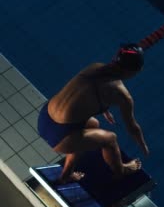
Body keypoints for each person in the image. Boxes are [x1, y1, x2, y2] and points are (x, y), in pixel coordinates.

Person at [37, 44, 150, 184]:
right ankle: (121, 170)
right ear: (134, 71)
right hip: (60, 139)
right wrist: (143, 145)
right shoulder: (122, 95)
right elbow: (132, 127)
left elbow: (87, 92)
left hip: (44, 118)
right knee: (110, 139)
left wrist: (104, 110)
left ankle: (65, 176)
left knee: (93, 124)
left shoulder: (95, 67)